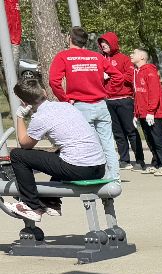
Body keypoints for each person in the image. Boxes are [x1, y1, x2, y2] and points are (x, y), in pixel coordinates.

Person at [3, 74, 107, 223]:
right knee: (61, 153)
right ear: (44, 92)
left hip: (79, 169)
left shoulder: (40, 117)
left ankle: (31, 206)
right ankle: (51, 201)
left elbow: (25, 144)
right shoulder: (65, 106)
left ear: (24, 101)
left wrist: (20, 116)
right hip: (99, 167)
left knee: (18, 155)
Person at [47, 26, 118, 179]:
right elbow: (117, 76)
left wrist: (64, 99)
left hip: (80, 106)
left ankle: (94, 178)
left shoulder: (63, 56)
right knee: (108, 144)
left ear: (69, 38)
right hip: (101, 104)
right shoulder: (96, 57)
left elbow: (54, 81)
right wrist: (107, 91)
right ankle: (114, 177)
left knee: (88, 144)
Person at [98, 32, 144, 171]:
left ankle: (139, 160)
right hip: (109, 100)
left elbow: (130, 77)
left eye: (106, 42)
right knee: (117, 132)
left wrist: (111, 75)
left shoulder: (124, 59)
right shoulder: (100, 59)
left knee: (131, 130)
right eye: (101, 43)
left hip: (124, 99)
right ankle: (124, 159)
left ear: (113, 43)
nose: (103, 45)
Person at [130, 48, 162, 176]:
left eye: (134, 53)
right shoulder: (137, 72)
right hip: (142, 113)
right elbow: (137, 94)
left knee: (157, 138)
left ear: (142, 57)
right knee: (149, 139)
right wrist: (136, 114)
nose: (131, 55)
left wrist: (151, 111)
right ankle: (156, 163)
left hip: (153, 113)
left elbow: (154, 92)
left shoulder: (149, 71)